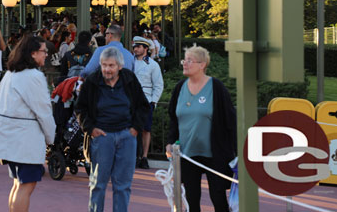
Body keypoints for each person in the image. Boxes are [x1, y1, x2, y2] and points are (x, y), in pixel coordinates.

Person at [75, 47, 150, 212]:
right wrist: (91, 128)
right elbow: (80, 108)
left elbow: (143, 106)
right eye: (104, 65)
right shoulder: (93, 81)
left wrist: (135, 128)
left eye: (111, 66)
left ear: (120, 66)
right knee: (98, 184)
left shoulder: (129, 79)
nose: (107, 69)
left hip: (126, 135)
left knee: (123, 185)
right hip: (102, 137)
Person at [0, 35, 55, 212]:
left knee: (18, 184)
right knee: (27, 186)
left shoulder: (11, 74)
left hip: (10, 136)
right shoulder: (33, 76)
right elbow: (43, 111)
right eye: (44, 51)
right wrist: (51, 136)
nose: (46, 55)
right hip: (24, 139)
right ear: (33, 53)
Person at [166, 46, 236, 212]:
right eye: (184, 60)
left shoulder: (216, 87)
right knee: (191, 198)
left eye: (190, 60)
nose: (185, 64)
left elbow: (230, 120)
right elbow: (173, 119)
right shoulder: (180, 87)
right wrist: (170, 142)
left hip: (214, 153)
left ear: (202, 64)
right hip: (188, 153)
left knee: (218, 197)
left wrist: (236, 151)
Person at [131, 36, 164, 169]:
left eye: (138, 47)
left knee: (145, 130)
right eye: (134, 47)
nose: (135, 49)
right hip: (131, 100)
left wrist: (153, 102)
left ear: (145, 48)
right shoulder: (129, 62)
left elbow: (158, 85)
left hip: (145, 100)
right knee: (131, 129)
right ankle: (132, 156)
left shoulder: (153, 64)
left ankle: (144, 157)